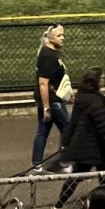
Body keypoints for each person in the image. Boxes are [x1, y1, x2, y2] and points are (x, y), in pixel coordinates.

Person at [51, 68, 105, 209]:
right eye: (102, 78)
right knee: (80, 178)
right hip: (93, 149)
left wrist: (66, 143)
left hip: (87, 148)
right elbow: (103, 131)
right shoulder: (97, 103)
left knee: (103, 178)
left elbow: (72, 123)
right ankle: (56, 208)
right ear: (96, 82)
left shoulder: (82, 99)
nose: (104, 80)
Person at [32, 23, 70, 167]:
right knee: (68, 129)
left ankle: (36, 164)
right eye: (59, 35)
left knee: (43, 131)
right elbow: (43, 83)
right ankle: (65, 161)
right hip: (52, 101)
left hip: (51, 99)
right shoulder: (49, 56)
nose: (63, 38)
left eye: (63, 34)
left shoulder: (50, 52)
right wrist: (47, 108)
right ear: (51, 37)